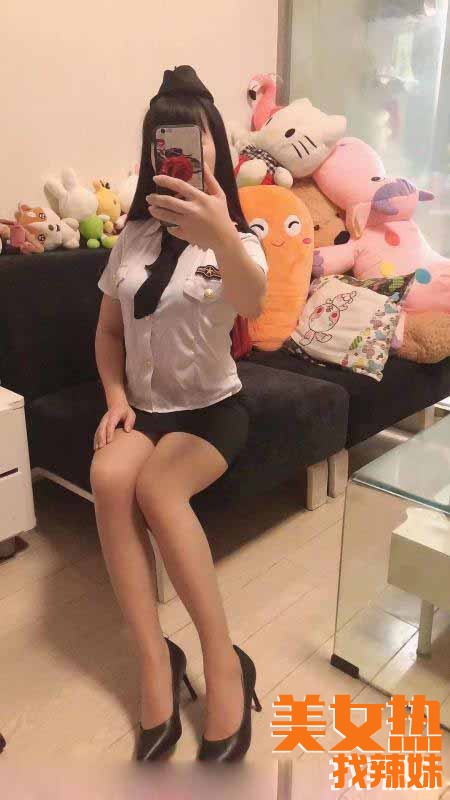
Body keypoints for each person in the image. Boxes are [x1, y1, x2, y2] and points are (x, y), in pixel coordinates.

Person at [90, 66, 268, 763]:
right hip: (145, 411)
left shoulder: (237, 239)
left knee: (159, 490)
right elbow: (108, 333)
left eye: (196, 139)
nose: (181, 151)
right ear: (152, 151)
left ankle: (223, 661)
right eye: (165, 139)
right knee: (110, 477)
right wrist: (115, 398)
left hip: (212, 411)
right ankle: (155, 660)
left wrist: (220, 232)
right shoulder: (132, 238)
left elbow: (252, 303)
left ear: (215, 147)